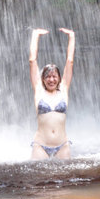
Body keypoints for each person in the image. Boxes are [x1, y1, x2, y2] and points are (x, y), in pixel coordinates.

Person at [29, 27, 75, 160]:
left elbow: (70, 61)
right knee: (38, 178)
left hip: (62, 145)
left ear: (59, 79)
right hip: (40, 145)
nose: (51, 79)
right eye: (48, 77)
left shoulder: (64, 89)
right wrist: (35, 35)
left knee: (66, 178)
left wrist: (71, 37)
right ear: (42, 79)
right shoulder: (39, 90)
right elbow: (32, 60)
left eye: (54, 76)